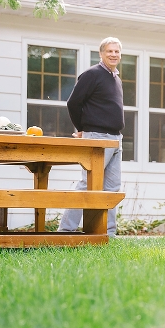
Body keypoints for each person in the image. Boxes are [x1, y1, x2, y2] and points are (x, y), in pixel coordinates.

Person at [58, 37, 125, 237]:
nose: (113, 54)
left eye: (117, 51)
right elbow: (73, 103)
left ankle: (107, 234)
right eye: (109, 51)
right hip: (97, 136)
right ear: (101, 54)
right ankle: (65, 231)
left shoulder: (116, 78)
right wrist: (81, 128)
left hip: (115, 139)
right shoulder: (92, 74)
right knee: (87, 184)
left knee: (111, 188)